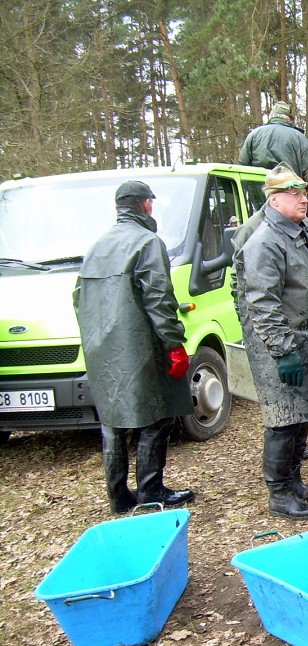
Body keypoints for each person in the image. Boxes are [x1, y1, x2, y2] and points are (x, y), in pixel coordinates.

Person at [233, 165, 308, 519]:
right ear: (274, 199)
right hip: (281, 345)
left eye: (305, 194)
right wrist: (283, 352)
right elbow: (261, 302)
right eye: (296, 194)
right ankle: (279, 493)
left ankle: (295, 482)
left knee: (304, 413)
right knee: (283, 418)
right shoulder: (264, 242)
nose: (304, 199)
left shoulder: (300, 229)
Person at [73, 180, 195, 512]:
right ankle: (151, 491)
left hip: (101, 347)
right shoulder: (147, 242)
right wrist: (173, 343)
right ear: (146, 205)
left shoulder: (97, 246)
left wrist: (96, 337)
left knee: (113, 420)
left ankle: (118, 496)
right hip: (140, 344)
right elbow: (159, 298)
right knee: (156, 417)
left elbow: (78, 298)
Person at [238, 100, 308, 209]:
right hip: (292, 199)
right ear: (289, 118)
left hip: (262, 200)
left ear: (271, 117)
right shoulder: (299, 138)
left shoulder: (253, 136)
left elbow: (242, 168)